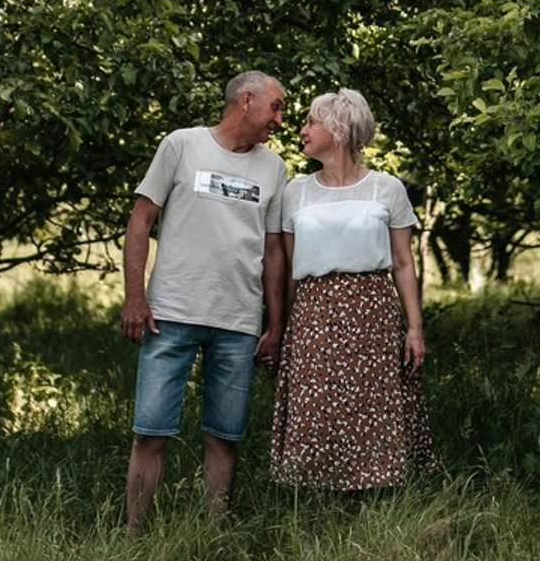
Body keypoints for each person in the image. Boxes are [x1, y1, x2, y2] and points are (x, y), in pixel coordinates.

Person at [121, 70, 288, 533]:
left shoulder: (274, 168)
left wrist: (275, 324)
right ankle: (134, 535)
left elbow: (274, 251)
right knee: (150, 431)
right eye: (275, 107)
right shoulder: (181, 145)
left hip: (238, 322)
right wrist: (135, 298)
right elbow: (140, 223)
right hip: (171, 315)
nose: (279, 120)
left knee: (225, 436)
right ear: (247, 101)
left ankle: (212, 535)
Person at [270, 87, 439, 491]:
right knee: (316, 401)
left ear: (340, 129)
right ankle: (316, 490)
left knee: (372, 400)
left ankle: (376, 487)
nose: (302, 129)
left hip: (372, 307)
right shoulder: (296, 192)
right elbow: (291, 268)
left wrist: (414, 328)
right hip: (314, 310)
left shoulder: (386, 188)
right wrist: (280, 330)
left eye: (312, 121)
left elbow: (402, 262)